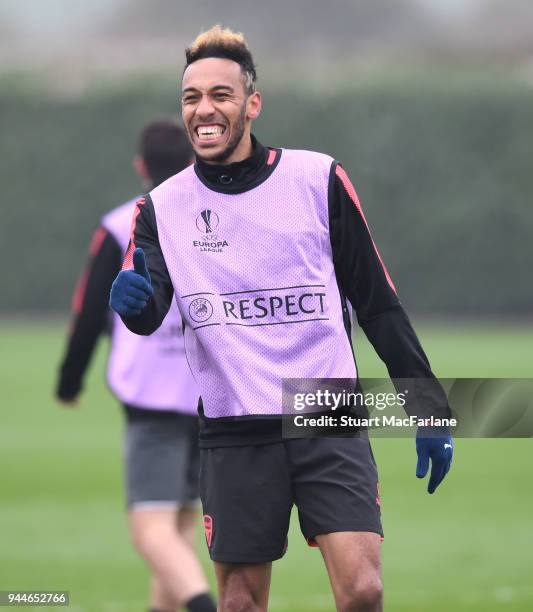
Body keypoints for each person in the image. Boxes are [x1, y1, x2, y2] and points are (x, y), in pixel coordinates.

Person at [110, 27, 454, 612]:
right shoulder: (160, 208)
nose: (204, 109)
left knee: (364, 591)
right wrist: (136, 301)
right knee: (241, 602)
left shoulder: (316, 179)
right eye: (191, 97)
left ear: (251, 103)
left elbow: (377, 301)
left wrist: (427, 406)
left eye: (220, 94)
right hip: (235, 424)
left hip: (326, 407)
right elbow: (151, 313)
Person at [56, 119, 217, 612]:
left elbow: (89, 312)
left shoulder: (118, 223)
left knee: (151, 533)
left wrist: (69, 381)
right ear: (193, 160)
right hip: (213, 392)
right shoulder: (216, 217)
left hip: (150, 395)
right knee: (180, 530)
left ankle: (204, 607)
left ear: (140, 166)